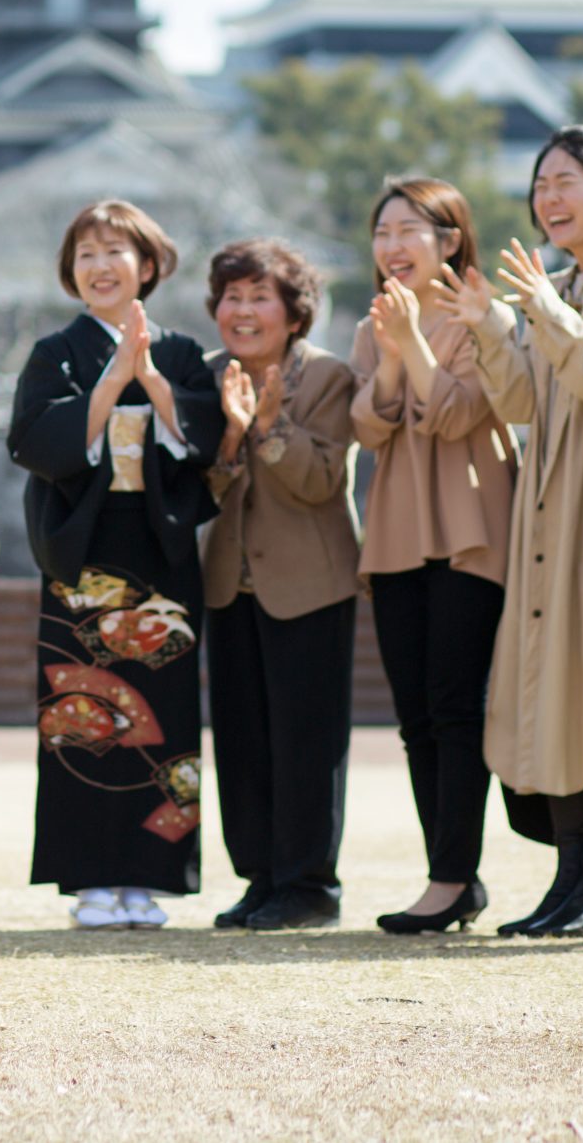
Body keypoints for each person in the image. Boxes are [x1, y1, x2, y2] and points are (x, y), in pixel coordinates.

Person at [442, 125, 583, 938]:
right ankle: (570, 879)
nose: (549, 197)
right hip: (545, 501)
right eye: (541, 184)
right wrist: (491, 325)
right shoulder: (561, 280)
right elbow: (522, 402)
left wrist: (539, 308)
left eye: (566, 181)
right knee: (553, 687)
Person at [7, 200, 221, 931]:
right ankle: (91, 878)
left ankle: (149, 876)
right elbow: (32, 443)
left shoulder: (183, 354)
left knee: (167, 715)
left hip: (161, 555)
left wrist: (152, 378)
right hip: (83, 560)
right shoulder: (56, 352)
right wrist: (107, 386)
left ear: (148, 265)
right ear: (71, 271)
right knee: (82, 715)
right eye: (86, 254)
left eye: (115, 252)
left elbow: (207, 443)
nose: (100, 266)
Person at [352, 176, 517, 934]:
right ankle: (451, 878)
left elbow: (455, 415)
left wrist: (412, 342)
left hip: (469, 527)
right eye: (382, 232)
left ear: (449, 240)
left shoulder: (485, 315)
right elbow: (368, 427)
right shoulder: (373, 324)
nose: (391, 246)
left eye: (407, 231)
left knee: (455, 708)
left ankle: (451, 877)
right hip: (396, 532)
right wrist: (390, 353)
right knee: (415, 716)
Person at [199, 238, 361, 932]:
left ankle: (310, 885)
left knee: (307, 741)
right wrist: (230, 437)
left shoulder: (327, 376)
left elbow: (321, 479)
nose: (242, 310)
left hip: (310, 583)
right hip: (228, 582)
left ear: (294, 313)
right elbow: (199, 484)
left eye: (259, 296)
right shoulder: (206, 375)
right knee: (242, 741)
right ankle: (261, 878)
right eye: (231, 296)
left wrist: (267, 428)